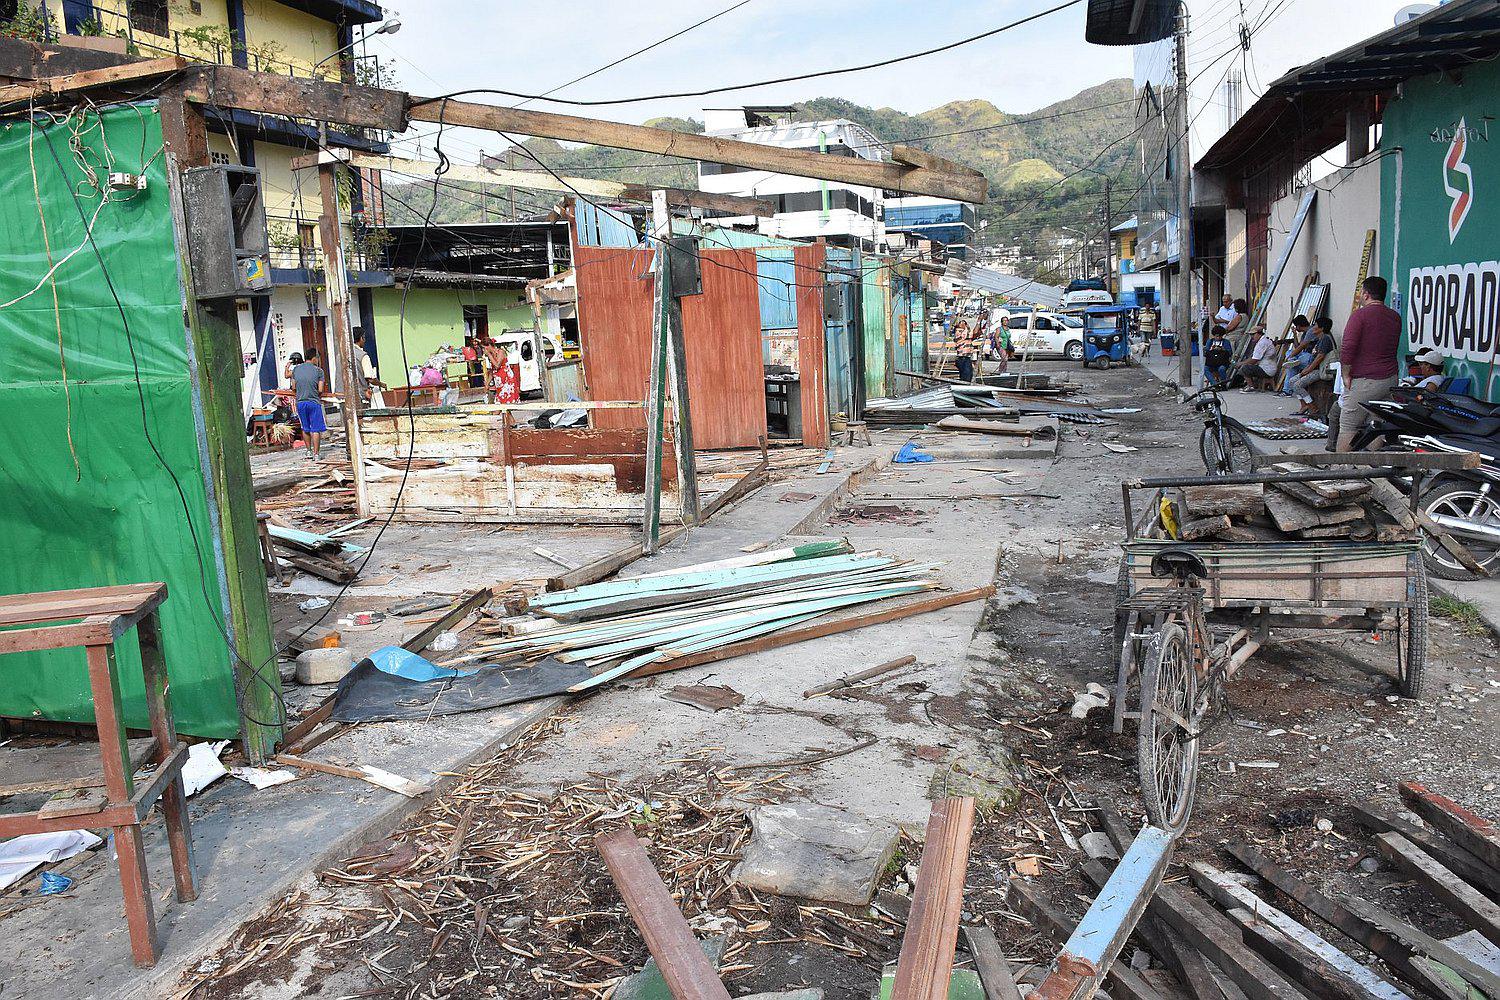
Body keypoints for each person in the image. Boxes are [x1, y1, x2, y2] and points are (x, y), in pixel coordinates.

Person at [1337, 276, 1402, 451]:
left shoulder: (1359, 316)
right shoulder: (1395, 317)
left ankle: (1340, 469)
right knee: (1378, 423)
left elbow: (1348, 347)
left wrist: (1345, 374)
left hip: (1365, 380)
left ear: (1365, 294)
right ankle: (1371, 467)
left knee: (1348, 425)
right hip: (1390, 379)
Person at [1293, 316, 1338, 417]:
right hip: (1314, 369)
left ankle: (1312, 406)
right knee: (1292, 381)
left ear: (1321, 328)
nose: (1313, 328)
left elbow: (1320, 357)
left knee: (1297, 385)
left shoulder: (1325, 338)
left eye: (1316, 326)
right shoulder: (1320, 339)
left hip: (1320, 370)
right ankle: (1304, 405)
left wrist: (1308, 370)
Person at [291, 348, 328, 460]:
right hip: (314, 402)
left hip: (301, 403)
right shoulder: (319, 371)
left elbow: (293, 387)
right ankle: (316, 454)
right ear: (314, 358)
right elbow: (320, 390)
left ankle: (308, 451)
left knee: (305, 427)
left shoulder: (296, 369)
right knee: (315, 429)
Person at [1277, 316, 1315, 395]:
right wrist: (1294, 334)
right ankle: (1287, 390)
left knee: (1291, 358)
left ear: (1298, 326)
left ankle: (1287, 390)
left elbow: (1301, 347)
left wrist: (1290, 356)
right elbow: (1297, 347)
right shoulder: (1305, 333)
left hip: (1309, 356)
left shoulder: (1311, 331)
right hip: (1303, 356)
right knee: (1291, 364)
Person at [1233, 325, 1278, 391]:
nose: (1251, 337)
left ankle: (1251, 386)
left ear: (1259, 334)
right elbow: (1254, 357)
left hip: (1267, 370)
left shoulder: (1262, 343)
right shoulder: (1263, 341)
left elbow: (1255, 359)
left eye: (1253, 334)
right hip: (1267, 368)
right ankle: (1250, 384)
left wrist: (1241, 364)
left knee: (1245, 368)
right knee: (1245, 365)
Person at [352, 331, 385, 410]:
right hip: (360, 396)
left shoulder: (341, 355)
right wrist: (381, 384)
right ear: (361, 338)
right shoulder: (363, 355)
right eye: (364, 338)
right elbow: (370, 379)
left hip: (343, 396)